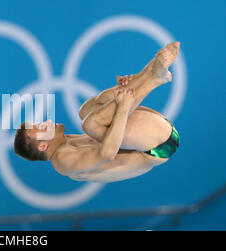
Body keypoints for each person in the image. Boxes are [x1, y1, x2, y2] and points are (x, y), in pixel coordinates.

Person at [14, 42, 180, 183]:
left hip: (149, 136)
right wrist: (122, 107)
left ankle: (149, 76)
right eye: (43, 127)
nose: (48, 122)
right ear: (43, 146)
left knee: (85, 111)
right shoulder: (63, 161)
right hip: (158, 147)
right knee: (91, 124)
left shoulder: (65, 142)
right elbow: (107, 153)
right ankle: (154, 77)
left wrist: (120, 91)